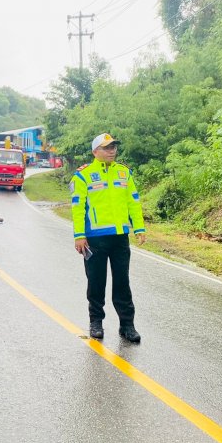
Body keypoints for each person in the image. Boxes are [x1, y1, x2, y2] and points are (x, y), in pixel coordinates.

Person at [70, 133, 146, 342]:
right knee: (96, 282)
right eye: (107, 147)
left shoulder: (124, 173)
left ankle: (127, 325)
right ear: (95, 152)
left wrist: (139, 228)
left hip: (120, 237)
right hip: (94, 239)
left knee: (122, 282)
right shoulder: (83, 175)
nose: (112, 150)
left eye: (114, 147)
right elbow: (77, 208)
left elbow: (133, 202)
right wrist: (79, 235)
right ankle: (96, 322)